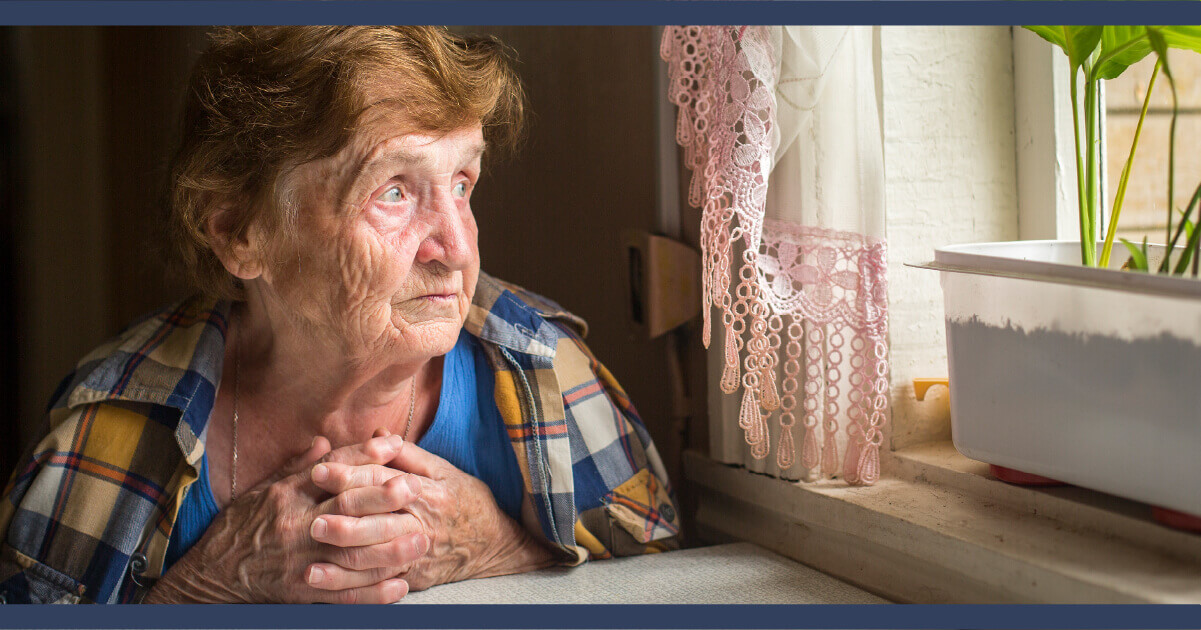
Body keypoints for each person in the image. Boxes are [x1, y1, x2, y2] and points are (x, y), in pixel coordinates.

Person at [0, 26, 679, 605]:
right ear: (241, 230)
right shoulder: (115, 416)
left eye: (462, 184)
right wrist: (201, 588)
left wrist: (506, 551)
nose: (458, 249)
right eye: (391, 191)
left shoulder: (543, 370)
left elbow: (681, 592)